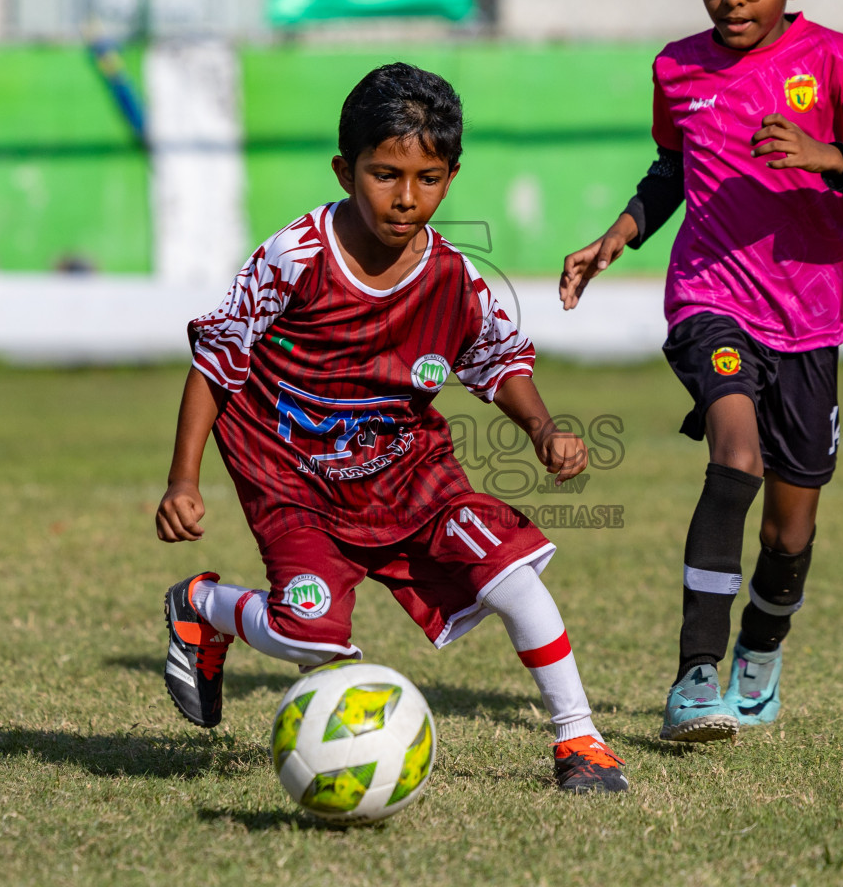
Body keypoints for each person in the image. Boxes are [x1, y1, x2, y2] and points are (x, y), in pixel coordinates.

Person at [156, 62, 628, 793]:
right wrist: (182, 479)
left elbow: (498, 361)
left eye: (429, 179)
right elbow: (217, 357)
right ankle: (205, 608)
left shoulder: (454, 279)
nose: (406, 199)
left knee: (512, 569)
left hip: (409, 473)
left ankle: (580, 740)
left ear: (451, 174)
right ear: (345, 169)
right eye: (384, 174)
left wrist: (540, 428)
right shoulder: (296, 258)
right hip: (294, 479)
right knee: (306, 635)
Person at [559, 0, 843, 743]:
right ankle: (694, 676)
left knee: (791, 532)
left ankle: (759, 650)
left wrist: (827, 156)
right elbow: (674, 170)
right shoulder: (676, 68)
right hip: (708, 302)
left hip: (807, 327)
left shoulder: (834, 63)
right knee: (736, 452)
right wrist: (619, 235)